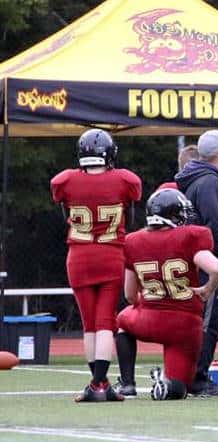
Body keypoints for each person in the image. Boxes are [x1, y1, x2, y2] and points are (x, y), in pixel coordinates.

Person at [50, 128, 142, 402]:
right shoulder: (125, 179)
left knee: (90, 323)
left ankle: (96, 384)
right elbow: (132, 197)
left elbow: (60, 195)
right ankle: (101, 383)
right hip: (111, 255)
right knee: (105, 322)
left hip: (78, 257)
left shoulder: (65, 180)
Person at [115, 189, 218, 400]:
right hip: (184, 326)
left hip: (148, 319)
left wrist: (147, 302)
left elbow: (129, 294)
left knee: (122, 320)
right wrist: (207, 290)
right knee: (179, 387)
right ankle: (165, 386)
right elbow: (217, 270)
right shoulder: (192, 235)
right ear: (175, 214)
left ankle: (127, 384)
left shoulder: (133, 241)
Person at [175, 130, 218, 396]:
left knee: (201, 320)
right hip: (206, 262)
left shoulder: (197, 178)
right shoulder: (209, 182)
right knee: (209, 321)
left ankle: (190, 373)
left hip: (195, 259)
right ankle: (197, 378)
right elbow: (214, 225)